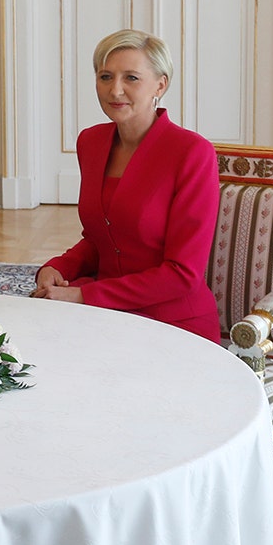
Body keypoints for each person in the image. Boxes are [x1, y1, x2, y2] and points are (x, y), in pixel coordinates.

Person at [32, 29, 221, 341]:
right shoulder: (90, 142)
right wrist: (57, 269)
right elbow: (100, 239)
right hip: (105, 314)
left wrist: (83, 295)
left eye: (131, 78)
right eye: (105, 76)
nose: (115, 90)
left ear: (160, 84)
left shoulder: (192, 152)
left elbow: (182, 275)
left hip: (173, 323)